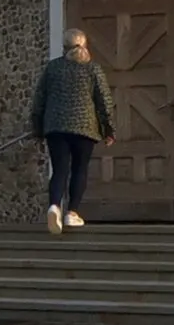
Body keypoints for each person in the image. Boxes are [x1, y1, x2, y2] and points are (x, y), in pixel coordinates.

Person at [30, 28, 116, 233]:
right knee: (80, 169)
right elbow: (104, 101)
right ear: (85, 45)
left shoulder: (53, 68)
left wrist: (37, 129)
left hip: (56, 127)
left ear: (64, 46)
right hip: (85, 129)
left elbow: (38, 101)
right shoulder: (93, 69)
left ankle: (54, 206)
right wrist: (109, 129)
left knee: (60, 169)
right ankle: (72, 213)